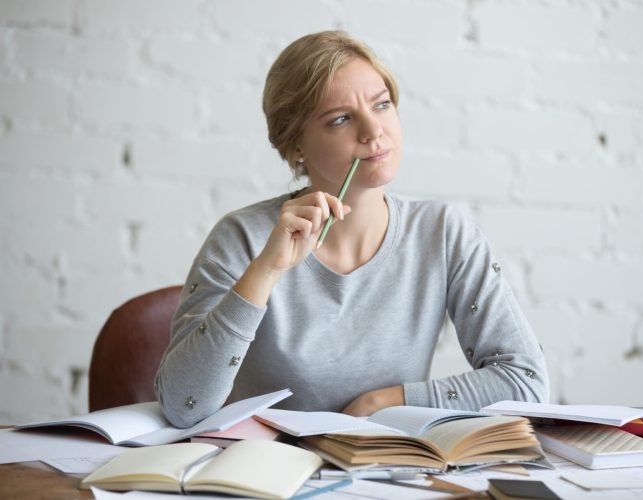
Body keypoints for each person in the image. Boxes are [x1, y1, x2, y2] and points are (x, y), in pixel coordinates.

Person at [155, 30, 549, 428]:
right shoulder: (241, 237)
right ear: (295, 146)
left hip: (390, 472)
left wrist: (386, 402)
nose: (373, 131)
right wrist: (267, 270)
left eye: (382, 104)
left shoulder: (444, 232)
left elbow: (526, 382)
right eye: (341, 119)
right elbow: (182, 406)